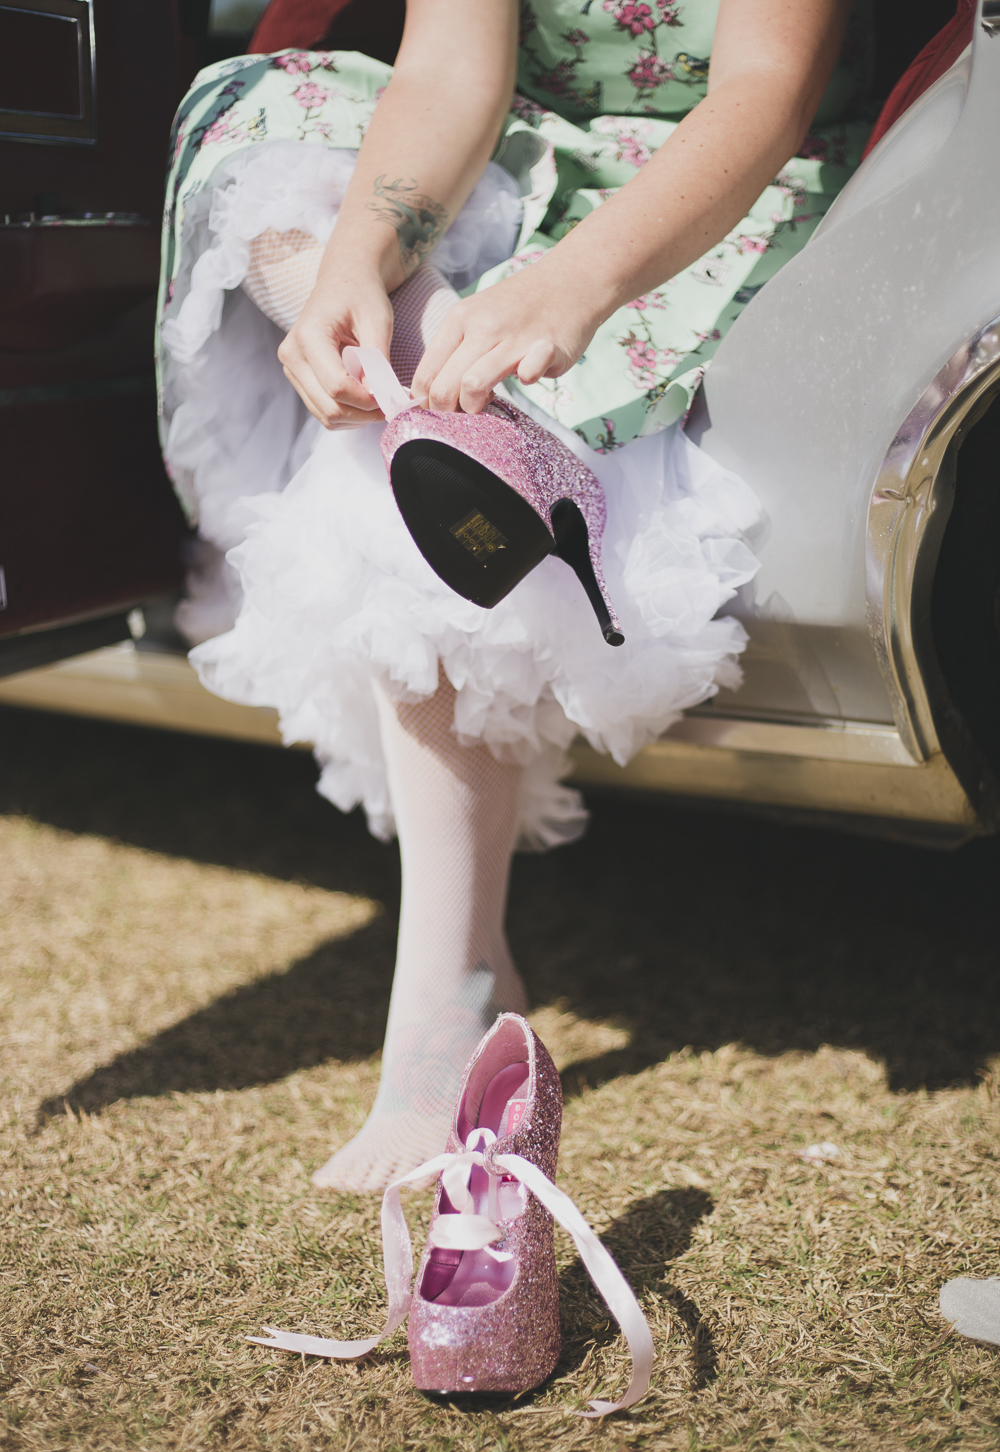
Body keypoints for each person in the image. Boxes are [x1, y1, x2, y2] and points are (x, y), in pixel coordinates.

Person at [157, 0, 874, 1192]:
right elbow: (447, 71)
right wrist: (355, 262)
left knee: (423, 497)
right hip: (522, 162)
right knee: (262, 117)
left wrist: (570, 286)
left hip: (705, 189)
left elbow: (767, 89)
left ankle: (449, 1001)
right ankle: (428, 366)